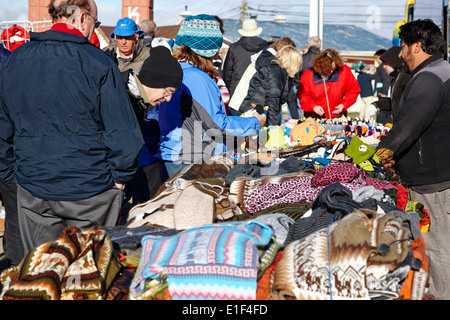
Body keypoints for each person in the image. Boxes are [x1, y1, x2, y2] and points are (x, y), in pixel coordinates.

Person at [0, 0, 144, 256]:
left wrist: (12, 174)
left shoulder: (15, 60)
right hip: (88, 189)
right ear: (82, 17)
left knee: (43, 272)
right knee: (87, 276)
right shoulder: (98, 62)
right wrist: (119, 178)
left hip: (38, 186)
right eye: (95, 23)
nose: (93, 29)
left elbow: (3, 128)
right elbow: (122, 131)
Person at [375, 19, 450, 300]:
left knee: (438, 248)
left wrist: (379, 154)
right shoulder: (439, 71)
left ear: (418, 46)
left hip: (434, 181)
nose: (402, 53)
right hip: (434, 175)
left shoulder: (430, 77)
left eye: (404, 46)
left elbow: (409, 124)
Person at [156, 14, 266, 178]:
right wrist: (255, 122)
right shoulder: (197, 78)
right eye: (216, 48)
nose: (218, 54)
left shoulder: (175, 70)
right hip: (191, 157)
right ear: (207, 50)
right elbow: (216, 124)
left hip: (173, 153)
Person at [122, 44, 183, 203]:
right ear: (155, 81)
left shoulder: (138, 102)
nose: (168, 98)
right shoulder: (123, 99)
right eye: (168, 91)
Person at [228, 36, 296, 117]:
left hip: (238, 102)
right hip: (247, 106)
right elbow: (272, 95)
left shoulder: (263, 58)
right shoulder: (271, 64)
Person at [238, 43, 302, 126]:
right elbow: (273, 100)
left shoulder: (275, 69)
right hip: (256, 115)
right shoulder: (277, 72)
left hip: (254, 112)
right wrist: (272, 126)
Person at [296, 48, 360, 120]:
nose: (332, 71)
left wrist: (344, 105)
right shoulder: (309, 74)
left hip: (337, 117)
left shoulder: (344, 71)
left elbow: (353, 90)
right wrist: (313, 106)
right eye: (329, 69)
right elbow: (303, 95)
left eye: (334, 67)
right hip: (314, 118)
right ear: (321, 66)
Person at [222, 18, 268, 104]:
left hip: (237, 93)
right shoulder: (266, 47)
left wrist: (232, 89)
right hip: (260, 92)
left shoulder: (234, 48)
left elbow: (227, 73)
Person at [286, 36, 322, 120]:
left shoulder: (302, 58)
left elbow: (297, 74)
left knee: (300, 109)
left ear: (308, 45)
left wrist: (299, 86)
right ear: (319, 45)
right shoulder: (323, 58)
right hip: (320, 90)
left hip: (302, 88)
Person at [376, 46, 411, 122]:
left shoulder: (405, 78)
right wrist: (376, 105)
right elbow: (394, 101)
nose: (384, 67)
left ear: (393, 61)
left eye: (385, 63)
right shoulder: (395, 79)